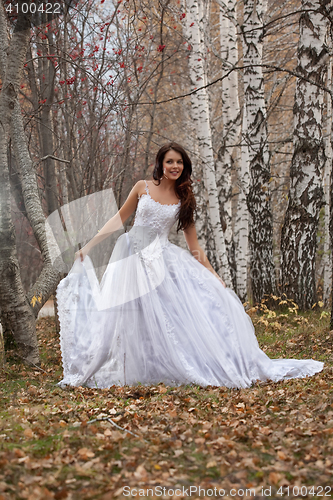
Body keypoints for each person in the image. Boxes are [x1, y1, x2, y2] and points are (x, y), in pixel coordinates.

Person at [56, 142, 323, 389]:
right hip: (129, 257)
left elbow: (194, 246)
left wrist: (214, 275)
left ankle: (171, 365)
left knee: (168, 318)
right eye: (170, 161)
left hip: (161, 261)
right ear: (160, 164)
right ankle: (128, 367)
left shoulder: (184, 199)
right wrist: (88, 246)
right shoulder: (142, 187)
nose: (175, 166)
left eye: (180, 163)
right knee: (125, 315)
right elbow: (118, 219)